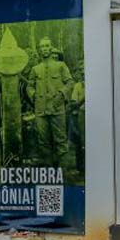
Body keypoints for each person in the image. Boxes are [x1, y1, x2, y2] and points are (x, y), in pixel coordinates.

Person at [27, 37, 73, 169]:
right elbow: (29, 86)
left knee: (60, 140)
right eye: (42, 47)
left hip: (57, 109)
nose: (44, 49)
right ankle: (49, 172)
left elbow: (70, 82)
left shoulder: (60, 66)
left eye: (47, 46)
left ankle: (62, 173)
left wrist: (61, 94)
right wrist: (34, 95)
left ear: (51, 47)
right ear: (39, 50)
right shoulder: (36, 69)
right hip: (40, 110)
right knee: (43, 141)